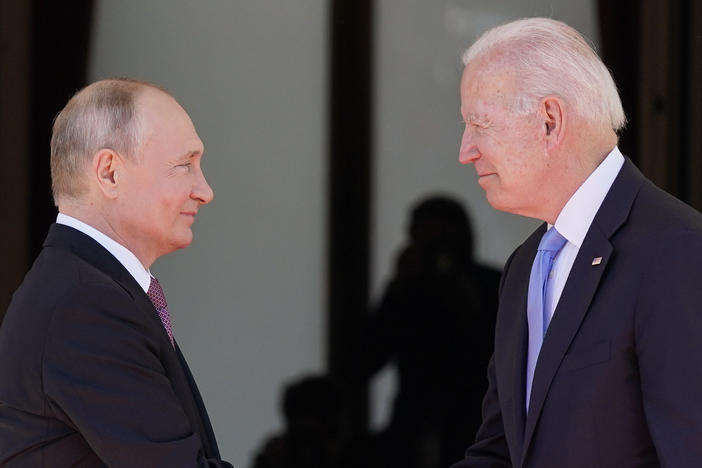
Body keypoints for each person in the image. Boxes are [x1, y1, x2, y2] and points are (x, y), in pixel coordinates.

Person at [451, 18, 702, 467]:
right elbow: (501, 453)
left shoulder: (677, 251)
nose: (466, 149)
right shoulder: (525, 265)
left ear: (550, 120)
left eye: (479, 123)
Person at [0, 78, 232, 467]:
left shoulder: (86, 287)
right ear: (109, 173)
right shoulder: (85, 304)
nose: (204, 190)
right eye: (184, 165)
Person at [359, 196, 500, 468]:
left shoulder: (491, 286)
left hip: (475, 425)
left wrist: (467, 301)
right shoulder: (406, 290)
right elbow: (362, 361)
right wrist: (398, 289)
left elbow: (504, 358)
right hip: (412, 428)